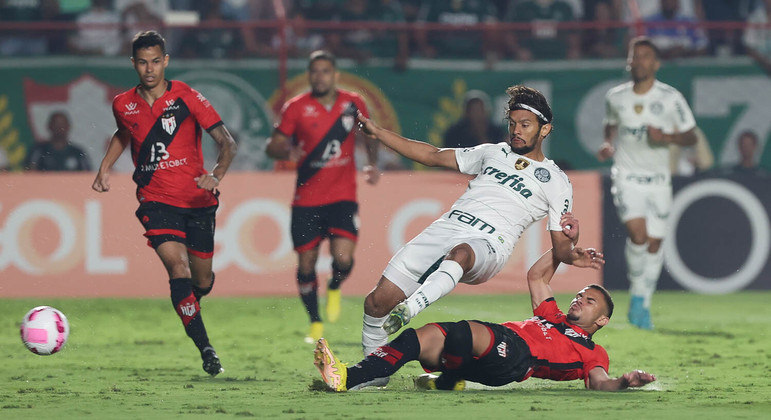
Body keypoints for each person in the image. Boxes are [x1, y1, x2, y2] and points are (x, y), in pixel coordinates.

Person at [355, 85, 598, 388]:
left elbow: (561, 251)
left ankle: (412, 307)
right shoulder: (492, 152)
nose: (516, 131)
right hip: (448, 227)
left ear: (544, 129)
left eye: (525, 125)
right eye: (512, 124)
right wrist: (379, 132)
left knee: (461, 253)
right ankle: (375, 372)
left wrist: (573, 240)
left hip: (490, 245)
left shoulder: (556, 181)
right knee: (376, 303)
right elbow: (432, 155)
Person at [314, 214, 656, 392]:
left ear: (601, 321)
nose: (580, 299)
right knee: (413, 340)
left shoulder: (594, 354)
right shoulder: (553, 317)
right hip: (499, 351)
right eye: (581, 294)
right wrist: (564, 253)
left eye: (591, 301)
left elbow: (598, 382)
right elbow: (537, 277)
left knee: (462, 334)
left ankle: (450, 377)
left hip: (517, 357)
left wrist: (624, 382)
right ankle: (348, 376)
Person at [91, 31, 237, 376]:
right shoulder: (123, 103)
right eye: (142, 62)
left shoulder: (187, 96)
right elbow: (124, 134)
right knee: (178, 270)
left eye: (156, 61)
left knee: (201, 282)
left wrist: (215, 175)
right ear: (133, 64)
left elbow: (227, 142)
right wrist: (104, 168)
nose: (149, 69)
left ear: (166, 61)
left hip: (198, 201)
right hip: (155, 200)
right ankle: (207, 349)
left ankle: (188, 305)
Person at [266, 50, 380, 343]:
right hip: (306, 201)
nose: (320, 77)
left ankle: (335, 285)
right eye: (314, 72)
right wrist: (285, 151)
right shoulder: (296, 107)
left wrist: (371, 162)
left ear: (335, 74)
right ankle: (315, 322)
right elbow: (272, 146)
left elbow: (369, 134)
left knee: (343, 259)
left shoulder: (353, 103)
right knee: (306, 265)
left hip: (342, 197)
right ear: (309, 75)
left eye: (325, 71)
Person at [597, 36, 697, 330]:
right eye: (634, 56)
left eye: (645, 56)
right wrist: (607, 142)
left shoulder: (670, 98)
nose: (639, 61)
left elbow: (691, 135)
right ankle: (638, 291)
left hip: (659, 181)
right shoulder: (616, 97)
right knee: (639, 236)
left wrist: (666, 138)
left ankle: (641, 302)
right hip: (627, 178)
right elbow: (611, 123)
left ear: (656, 63)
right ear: (629, 61)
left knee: (655, 243)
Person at [27, 111, 91, 171]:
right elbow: (30, 172)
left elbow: (87, 175)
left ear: (68, 126)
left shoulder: (77, 152)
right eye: (56, 124)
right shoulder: (39, 150)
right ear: (49, 126)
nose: (59, 128)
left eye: (62, 125)